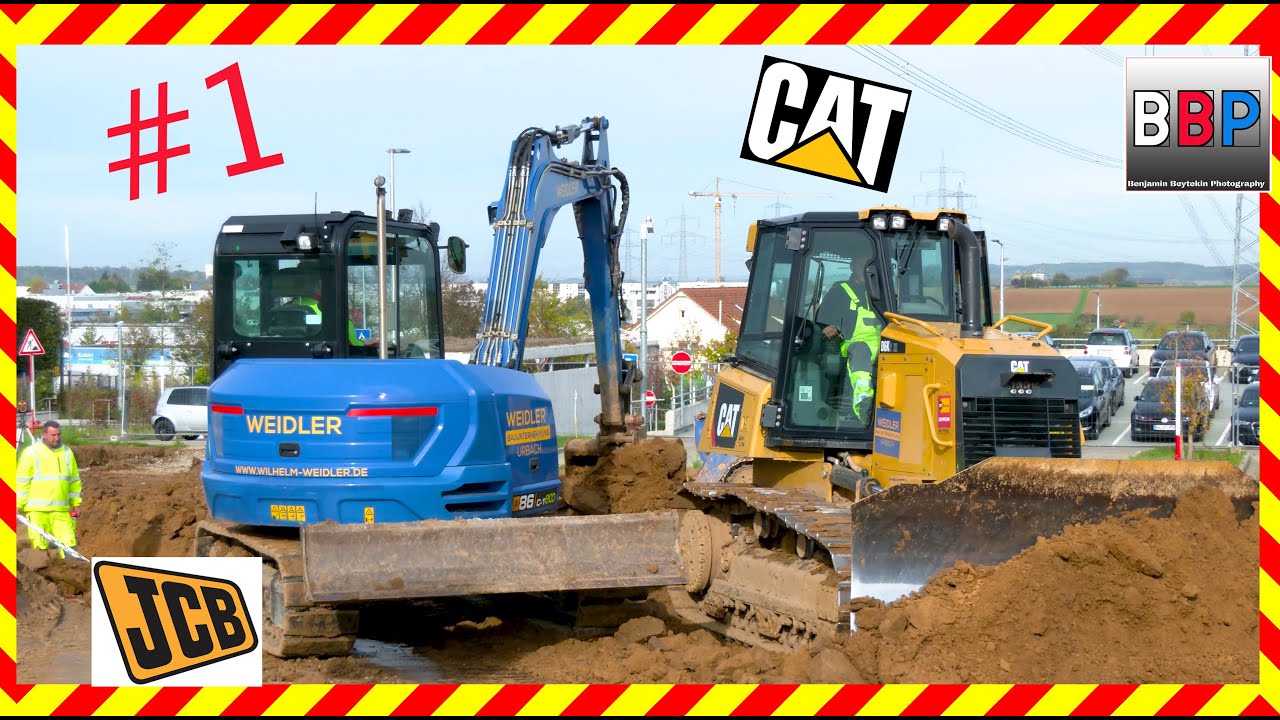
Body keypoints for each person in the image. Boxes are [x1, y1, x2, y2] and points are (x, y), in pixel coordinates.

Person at [815, 243, 884, 425]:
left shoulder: (884, 294)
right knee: (860, 351)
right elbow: (823, 321)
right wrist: (828, 327)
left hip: (883, 345)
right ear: (853, 266)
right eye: (862, 265)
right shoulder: (841, 290)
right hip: (853, 344)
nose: (866, 269)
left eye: (869, 265)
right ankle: (864, 404)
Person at [16, 420, 81, 559]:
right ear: (44, 435)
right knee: (40, 549)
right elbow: (22, 483)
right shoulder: (31, 453)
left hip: (61, 511)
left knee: (69, 544)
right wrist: (17, 504)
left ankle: (74, 574)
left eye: (59, 434)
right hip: (37, 512)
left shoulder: (67, 452)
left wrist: (75, 503)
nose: (57, 438)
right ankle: (42, 579)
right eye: (53, 435)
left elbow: (74, 480)